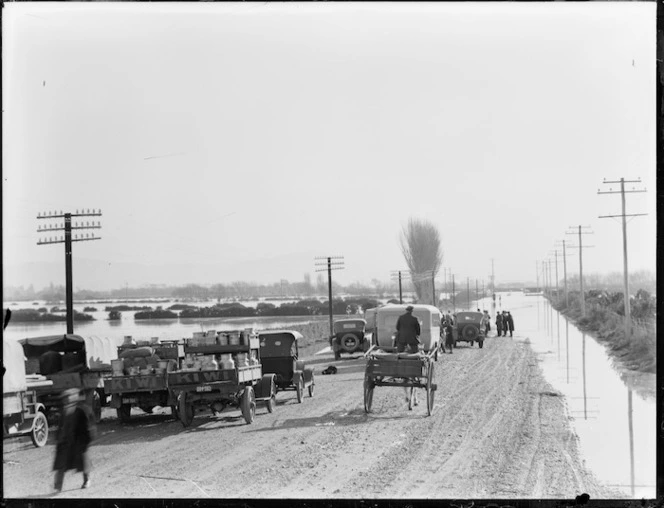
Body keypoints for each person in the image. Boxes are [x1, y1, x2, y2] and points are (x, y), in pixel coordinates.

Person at [53, 388, 96, 492]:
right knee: (61, 464)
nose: (65, 400)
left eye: (67, 398)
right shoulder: (64, 411)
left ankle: (87, 480)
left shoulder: (82, 409)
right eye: (64, 399)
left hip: (79, 441)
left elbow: (89, 426)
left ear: (73, 398)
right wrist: (59, 438)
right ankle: (58, 486)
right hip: (66, 441)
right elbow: (61, 426)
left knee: (83, 461)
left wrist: (87, 441)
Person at [395, 305, 421, 406]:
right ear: (412, 311)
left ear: (406, 311)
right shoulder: (415, 319)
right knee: (417, 355)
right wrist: (415, 335)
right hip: (412, 341)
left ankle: (397, 367)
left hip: (401, 341)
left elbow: (397, 327)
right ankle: (418, 367)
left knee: (399, 354)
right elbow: (418, 331)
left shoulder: (401, 318)